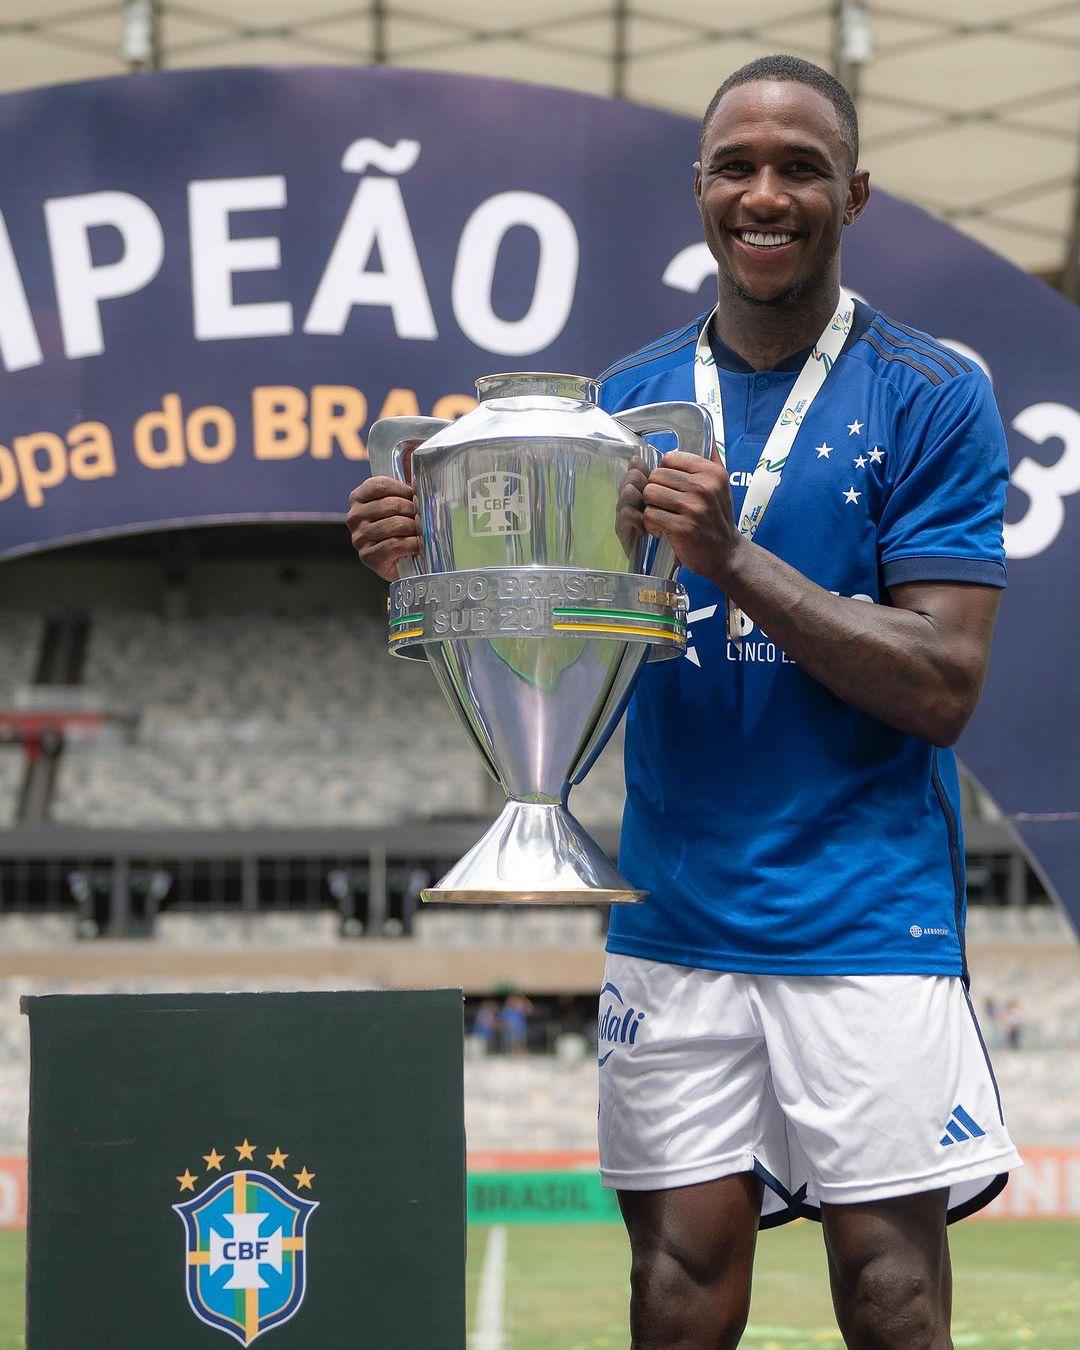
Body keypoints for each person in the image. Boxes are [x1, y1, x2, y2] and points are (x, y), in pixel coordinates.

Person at [347, 52, 1022, 1350]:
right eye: (738, 166)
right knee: (672, 1283)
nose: (765, 193)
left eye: (801, 168)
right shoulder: (617, 411)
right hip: (675, 915)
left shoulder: (934, 393)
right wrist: (441, 568)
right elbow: (562, 654)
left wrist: (738, 561)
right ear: (699, 190)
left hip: (864, 919)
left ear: (856, 193)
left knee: (891, 1290)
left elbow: (944, 685)